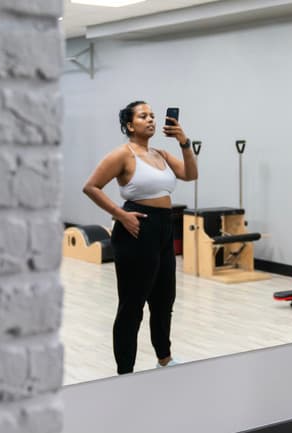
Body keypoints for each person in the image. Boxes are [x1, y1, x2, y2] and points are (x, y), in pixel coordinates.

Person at [82, 101, 198, 375]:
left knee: (164, 300)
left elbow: (191, 174)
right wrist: (120, 215)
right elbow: (91, 187)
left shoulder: (161, 154)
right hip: (136, 228)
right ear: (129, 125)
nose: (150, 120)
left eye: (152, 116)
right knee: (132, 306)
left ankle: (164, 358)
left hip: (163, 228)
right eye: (143, 116)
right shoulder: (122, 155)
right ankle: (125, 371)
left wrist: (184, 142)